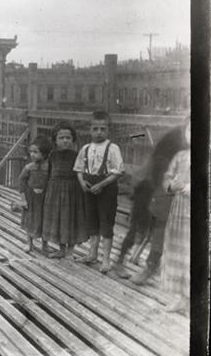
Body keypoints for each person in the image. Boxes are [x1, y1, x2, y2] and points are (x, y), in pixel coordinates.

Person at [113, 124, 188, 283]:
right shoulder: (176, 135)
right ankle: (120, 261)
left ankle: (151, 267)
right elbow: (156, 161)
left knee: (160, 230)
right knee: (137, 227)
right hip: (151, 184)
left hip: (169, 188)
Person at [74, 111, 125, 273]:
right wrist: (82, 182)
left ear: (108, 130)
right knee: (92, 220)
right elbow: (79, 169)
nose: (99, 132)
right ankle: (92, 254)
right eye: (95, 129)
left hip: (106, 188)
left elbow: (118, 172)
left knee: (106, 222)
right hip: (89, 187)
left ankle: (106, 260)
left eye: (103, 129)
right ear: (90, 129)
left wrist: (102, 184)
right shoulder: (86, 148)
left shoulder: (113, 148)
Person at [42, 123, 87, 259]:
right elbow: (48, 173)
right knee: (59, 219)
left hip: (73, 191)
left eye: (68, 137)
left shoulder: (77, 155)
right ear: (55, 140)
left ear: (73, 139)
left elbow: (82, 173)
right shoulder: (52, 155)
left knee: (71, 218)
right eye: (61, 138)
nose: (65, 140)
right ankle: (61, 249)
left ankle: (70, 251)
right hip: (55, 191)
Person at [161, 119, 191, 313]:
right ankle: (181, 297)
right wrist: (171, 185)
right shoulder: (180, 156)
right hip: (180, 209)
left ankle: (195, 298)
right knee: (178, 251)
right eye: (190, 130)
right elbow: (168, 178)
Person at [15, 135, 53, 253]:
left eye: (36, 152)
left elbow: (52, 182)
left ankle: (45, 244)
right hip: (31, 198)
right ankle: (29, 243)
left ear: (45, 153)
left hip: (45, 198)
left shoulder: (50, 167)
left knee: (45, 220)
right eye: (31, 152)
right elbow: (22, 182)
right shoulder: (29, 167)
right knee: (30, 220)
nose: (32, 154)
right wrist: (23, 199)